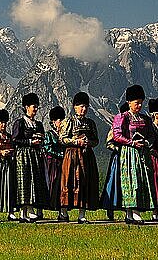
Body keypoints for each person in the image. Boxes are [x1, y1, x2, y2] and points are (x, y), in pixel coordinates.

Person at [112, 85, 156, 224]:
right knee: (131, 182)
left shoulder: (146, 119)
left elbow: (152, 135)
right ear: (129, 102)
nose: (139, 105)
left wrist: (146, 143)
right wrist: (131, 142)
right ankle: (132, 213)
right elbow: (117, 135)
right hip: (129, 153)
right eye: (136, 103)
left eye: (140, 102)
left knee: (142, 181)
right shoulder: (122, 117)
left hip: (142, 153)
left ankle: (132, 214)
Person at [59, 92, 100, 223]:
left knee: (85, 183)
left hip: (87, 156)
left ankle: (82, 214)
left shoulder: (91, 123)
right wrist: (76, 141)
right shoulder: (68, 121)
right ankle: (64, 212)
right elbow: (62, 139)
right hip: (72, 156)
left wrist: (89, 142)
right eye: (81, 106)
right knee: (69, 182)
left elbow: (96, 140)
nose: (84, 109)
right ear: (75, 107)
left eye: (86, 107)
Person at [12, 93, 49, 222]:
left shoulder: (39, 124)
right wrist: (29, 142)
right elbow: (15, 139)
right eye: (34, 106)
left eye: (37, 106)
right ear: (26, 107)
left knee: (34, 181)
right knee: (24, 182)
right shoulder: (20, 123)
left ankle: (28, 211)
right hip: (23, 155)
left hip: (35, 155)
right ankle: (24, 212)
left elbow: (42, 138)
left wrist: (39, 141)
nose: (36, 109)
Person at [100, 102, 129, 221]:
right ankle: (110, 207)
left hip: (129, 157)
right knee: (114, 182)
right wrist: (118, 148)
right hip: (118, 157)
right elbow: (109, 143)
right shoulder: (116, 125)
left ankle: (128, 210)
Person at [43, 106, 66, 219]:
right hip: (52, 164)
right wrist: (60, 155)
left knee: (63, 187)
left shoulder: (65, 135)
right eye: (59, 120)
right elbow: (48, 148)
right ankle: (42, 209)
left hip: (63, 163)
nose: (61, 123)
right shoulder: (49, 134)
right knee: (51, 185)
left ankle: (62, 211)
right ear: (53, 121)